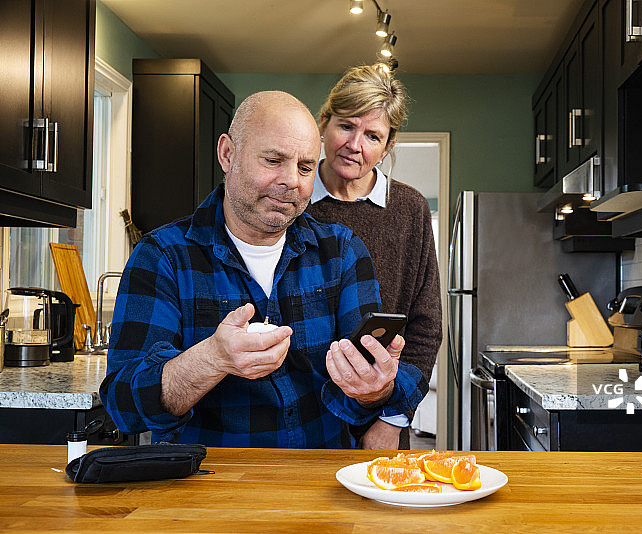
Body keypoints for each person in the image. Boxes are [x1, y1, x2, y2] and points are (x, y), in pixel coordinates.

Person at [99, 91, 428, 448]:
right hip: (204, 487)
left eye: (304, 167)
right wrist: (211, 359)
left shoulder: (342, 251)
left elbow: (364, 395)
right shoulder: (162, 256)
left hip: (321, 484)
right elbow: (124, 406)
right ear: (227, 154)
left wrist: (375, 390)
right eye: (273, 160)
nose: (291, 181)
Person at [305, 65, 442, 450]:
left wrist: (392, 420)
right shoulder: (292, 198)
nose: (355, 144)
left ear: (388, 145)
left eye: (373, 136)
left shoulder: (408, 208)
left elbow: (426, 326)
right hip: (300, 418)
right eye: (346, 126)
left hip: (381, 414)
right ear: (324, 122)